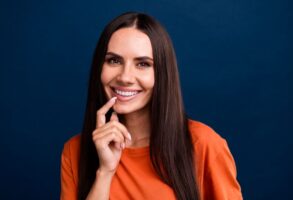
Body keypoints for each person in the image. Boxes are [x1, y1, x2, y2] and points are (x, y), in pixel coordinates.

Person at [60, 12, 243, 200]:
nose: (125, 77)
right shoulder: (74, 151)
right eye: (114, 60)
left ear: (162, 74)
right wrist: (105, 172)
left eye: (143, 64)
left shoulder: (204, 144)